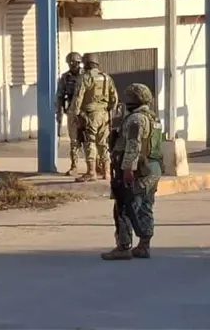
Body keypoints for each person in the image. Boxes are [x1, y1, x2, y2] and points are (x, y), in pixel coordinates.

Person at [102, 83, 163, 261]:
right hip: (153, 168)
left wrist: (128, 168)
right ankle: (144, 245)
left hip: (139, 169)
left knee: (124, 206)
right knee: (145, 206)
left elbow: (134, 145)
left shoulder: (136, 120)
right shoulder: (153, 118)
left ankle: (123, 246)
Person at [68, 53, 118, 182]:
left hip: (90, 115)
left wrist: (76, 114)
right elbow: (115, 98)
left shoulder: (85, 77)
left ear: (86, 64)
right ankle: (106, 173)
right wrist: (109, 110)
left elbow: (78, 97)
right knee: (103, 143)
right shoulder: (106, 77)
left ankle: (91, 172)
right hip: (105, 115)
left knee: (90, 142)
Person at [55, 52, 84, 176]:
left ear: (79, 63)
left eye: (75, 63)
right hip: (72, 112)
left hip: (86, 112)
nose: (73, 65)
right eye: (70, 63)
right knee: (74, 141)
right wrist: (59, 112)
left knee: (90, 141)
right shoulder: (65, 77)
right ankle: (74, 166)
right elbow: (60, 95)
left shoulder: (87, 75)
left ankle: (94, 166)